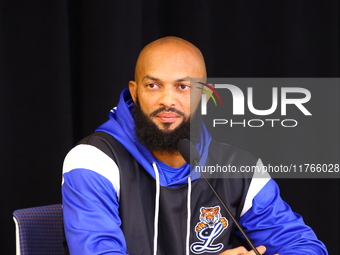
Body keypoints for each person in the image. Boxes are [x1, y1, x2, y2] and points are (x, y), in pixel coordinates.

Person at [62, 36, 328, 255]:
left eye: (183, 87)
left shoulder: (238, 167)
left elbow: (304, 246)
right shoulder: (93, 161)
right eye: (153, 85)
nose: (167, 100)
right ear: (135, 92)